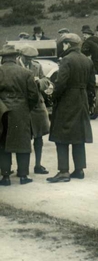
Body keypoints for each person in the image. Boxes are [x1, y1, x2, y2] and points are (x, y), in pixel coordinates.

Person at [46, 33, 95, 183]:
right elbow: (91, 84)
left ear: (67, 44)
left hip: (67, 100)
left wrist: (53, 97)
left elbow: (61, 83)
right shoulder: (87, 61)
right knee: (78, 135)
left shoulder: (67, 60)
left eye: (64, 44)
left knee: (61, 136)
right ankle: (79, 170)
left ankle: (63, 172)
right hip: (82, 100)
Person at [0, 45, 39, 186]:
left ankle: (5, 177)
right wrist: (26, 107)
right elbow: (33, 95)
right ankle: (23, 176)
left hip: (2, 111)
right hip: (21, 110)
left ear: (2, 58)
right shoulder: (26, 73)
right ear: (16, 58)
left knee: (3, 144)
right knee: (23, 143)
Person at [18, 45, 52, 174]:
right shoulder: (14, 64)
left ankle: (38, 165)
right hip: (21, 104)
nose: (30, 61)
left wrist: (39, 82)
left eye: (32, 58)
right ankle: (21, 168)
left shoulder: (37, 66)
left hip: (37, 104)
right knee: (21, 137)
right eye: (27, 58)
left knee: (39, 136)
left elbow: (45, 80)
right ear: (21, 56)